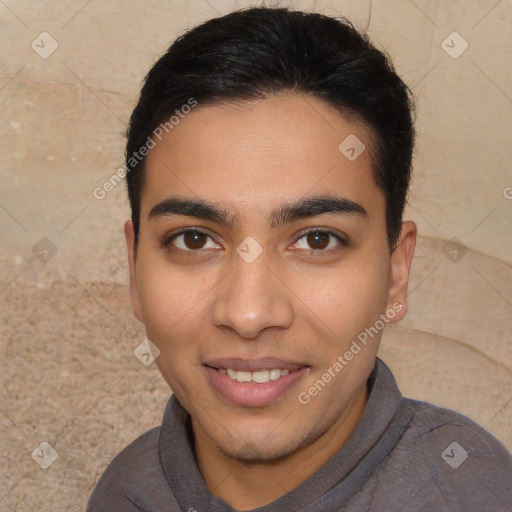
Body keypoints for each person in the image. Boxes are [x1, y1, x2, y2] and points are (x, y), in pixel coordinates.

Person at [87, 6, 512, 511]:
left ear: (396, 274)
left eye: (316, 240)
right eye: (195, 240)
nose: (248, 315)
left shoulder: (471, 494)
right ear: (135, 270)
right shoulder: (126, 491)